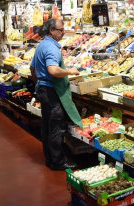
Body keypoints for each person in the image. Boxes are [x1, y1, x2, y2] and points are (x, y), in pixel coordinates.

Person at [30, 18, 82, 170]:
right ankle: (59, 162)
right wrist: (70, 71)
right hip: (52, 91)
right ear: (51, 30)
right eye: (60, 30)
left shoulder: (41, 45)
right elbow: (53, 70)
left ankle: (50, 159)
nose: (63, 33)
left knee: (47, 127)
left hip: (43, 89)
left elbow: (33, 68)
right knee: (56, 128)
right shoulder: (52, 48)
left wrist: (38, 85)